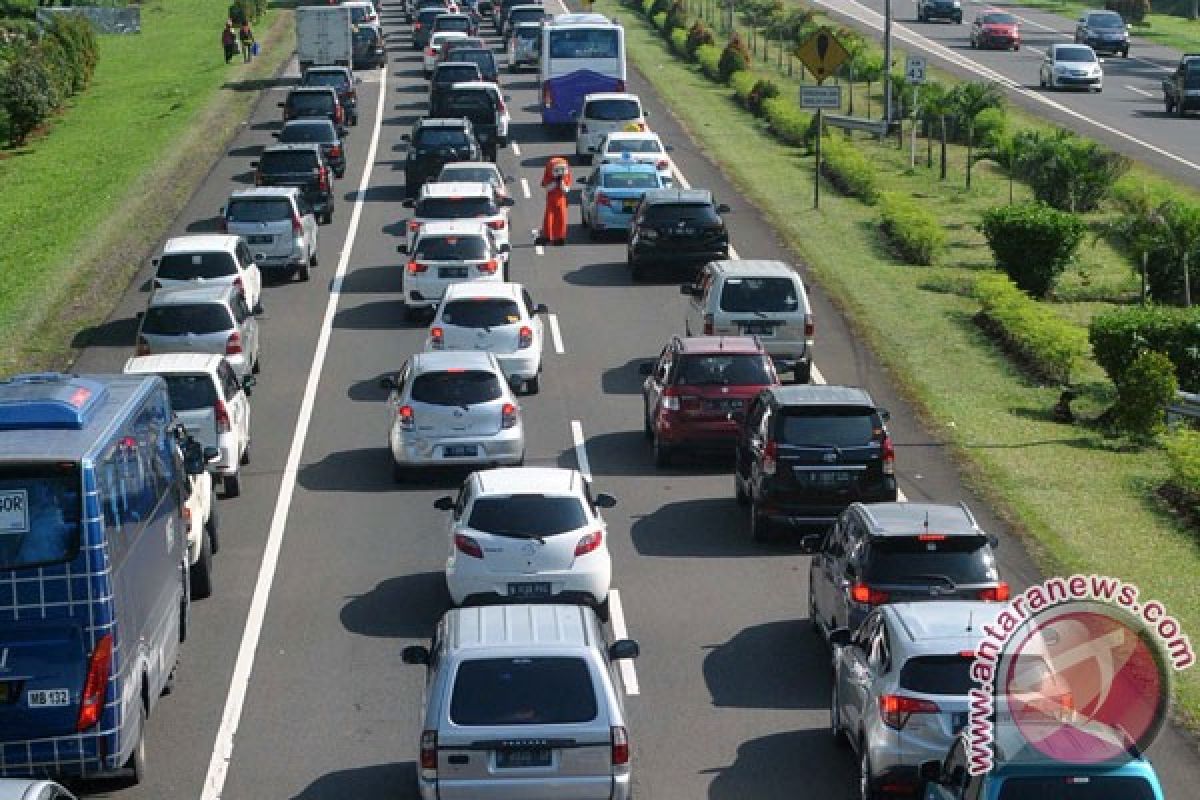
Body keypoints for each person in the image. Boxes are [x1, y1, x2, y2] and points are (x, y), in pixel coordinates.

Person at [540, 156, 572, 246]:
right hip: (551, 200)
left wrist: (561, 183)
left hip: (561, 199)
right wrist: (555, 183)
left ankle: (560, 237)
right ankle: (547, 236)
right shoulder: (549, 177)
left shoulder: (566, 177)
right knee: (549, 218)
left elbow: (566, 189)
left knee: (562, 219)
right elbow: (547, 188)